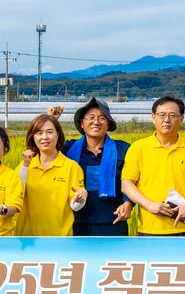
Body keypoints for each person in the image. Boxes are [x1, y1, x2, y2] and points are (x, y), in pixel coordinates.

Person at [50, 98, 134, 236]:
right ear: (82, 123)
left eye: (102, 118)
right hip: (74, 221)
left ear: (108, 124)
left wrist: (128, 204)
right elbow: (43, 149)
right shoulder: (68, 149)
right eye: (91, 117)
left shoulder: (123, 149)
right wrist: (52, 120)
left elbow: (133, 180)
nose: (96, 122)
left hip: (112, 222)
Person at [121, 96, 185, 237]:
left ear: (181, 119)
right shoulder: (139, 148)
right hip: (149, 229)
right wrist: (149, 205)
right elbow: (127, 184)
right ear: (153, 117)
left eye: (172, 115)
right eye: (162, 115)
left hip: (184, 228)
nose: (166, 120)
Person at [17, 113, 87, 236]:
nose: (44, 137)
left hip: (59, 239)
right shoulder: (25, 165)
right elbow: (16, 195)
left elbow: (75, 206)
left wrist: (80, 198)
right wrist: (25, 166)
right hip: (26, 238)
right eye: (39, 133)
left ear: (58, 135)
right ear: (32, 137)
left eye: (49, 132)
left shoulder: (71, 167)